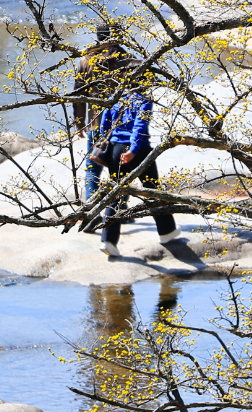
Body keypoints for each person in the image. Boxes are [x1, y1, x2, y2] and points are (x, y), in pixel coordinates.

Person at [92, 87, 178, 258]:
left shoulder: (114, 97)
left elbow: (104, 126)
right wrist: (132, 150)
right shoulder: (144, 100)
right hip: (139, 151)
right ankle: (167, 231)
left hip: (116, 150)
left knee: (116, 193)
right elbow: (139, 126)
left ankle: (108, 241)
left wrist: (114, 143)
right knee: (152, 189)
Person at [73, 26, 129, 216]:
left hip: (96, 124)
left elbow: (79, 95)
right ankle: (118, 212)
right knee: (121, 170)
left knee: (92, 170)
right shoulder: (126, 58)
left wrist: (79, 122)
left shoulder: (87, 59)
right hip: (121, 127)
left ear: (98, 37)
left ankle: (91, 213)